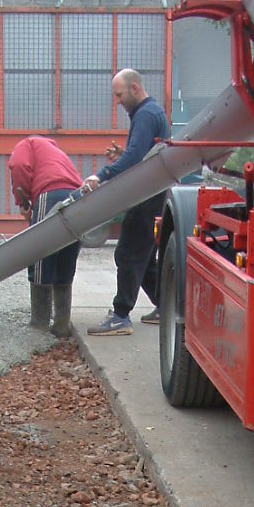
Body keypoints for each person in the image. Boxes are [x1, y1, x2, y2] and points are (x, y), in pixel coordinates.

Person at [81, 69, 170, 336]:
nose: (117, 100)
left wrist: (102, 175)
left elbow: (134, 158)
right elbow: (141, 154)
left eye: (119, 94)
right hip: (151, 192)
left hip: (146, 196)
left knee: (128, 254)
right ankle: (168, 307)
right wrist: (122, 154)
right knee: (144, 258)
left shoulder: (145, 114)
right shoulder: (151, 112)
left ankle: (121, 316)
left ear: (134, 88)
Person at [8, 135, 83, 338]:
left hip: (50, 194)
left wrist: (22, 202)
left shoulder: (27, 144)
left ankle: (39, 325)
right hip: (78, 197)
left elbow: (19, 165)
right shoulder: (56, 153)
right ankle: (61, 325)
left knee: (40, 255)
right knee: (67, 254)